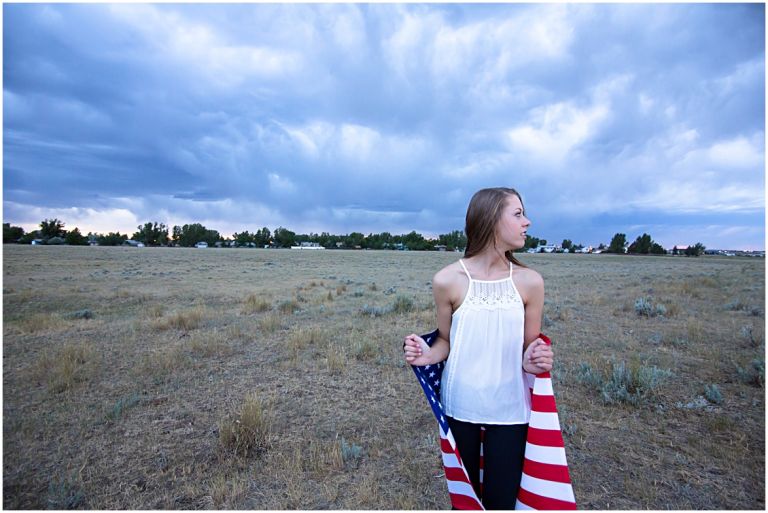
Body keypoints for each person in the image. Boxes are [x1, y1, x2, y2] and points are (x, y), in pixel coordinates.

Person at [403, 187, 554, 510]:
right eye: (517, 214)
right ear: (490, 220)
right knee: (465, 504)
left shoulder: (530, 282)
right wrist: (428, 354)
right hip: (460, 406)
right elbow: (445, 340)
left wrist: (535, 358)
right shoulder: (447, 280)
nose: (527, 222)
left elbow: (530, 349)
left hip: (511, 409)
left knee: (502, 502)